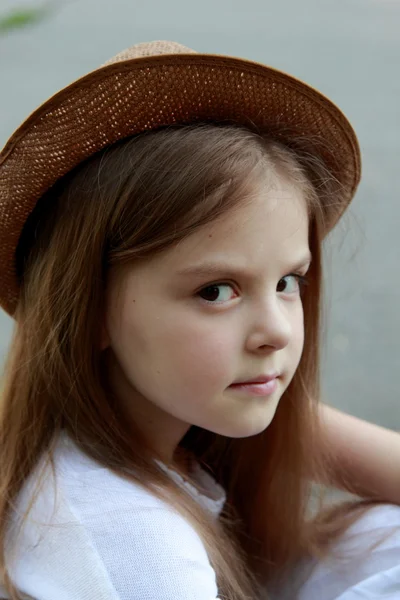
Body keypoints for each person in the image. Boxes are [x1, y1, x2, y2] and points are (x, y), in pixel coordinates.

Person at [0, 40, 399, 600]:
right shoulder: (138, 552)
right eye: (216, 291)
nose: (278, 332)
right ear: (90, 312)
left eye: (288, 283)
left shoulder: (166, 431)